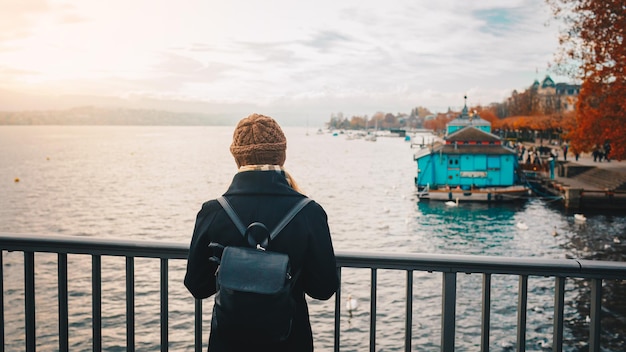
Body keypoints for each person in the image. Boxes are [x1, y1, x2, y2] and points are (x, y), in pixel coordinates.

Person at [184, 113, 339, 352]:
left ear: (235, 157)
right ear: (282, 155)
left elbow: (197, 286)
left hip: (228, 343)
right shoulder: (309, 212)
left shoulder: (213, 211)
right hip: (289, 342)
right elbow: (323, 288)